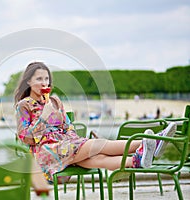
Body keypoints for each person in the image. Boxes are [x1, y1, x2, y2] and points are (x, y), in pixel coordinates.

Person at [14, 61, 177, 183]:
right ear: (28, 81)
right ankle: (149, 142)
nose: (44, 83)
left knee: (96, 158)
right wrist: (44, 116)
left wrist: (71, 139)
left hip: (67, 147)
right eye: (39, 79)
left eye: (46, 78)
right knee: (96, 145)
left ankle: (135, 161)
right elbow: (25, 137)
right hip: (46, 154)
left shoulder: (55, 101)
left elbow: (68, 127)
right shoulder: (23, 106)